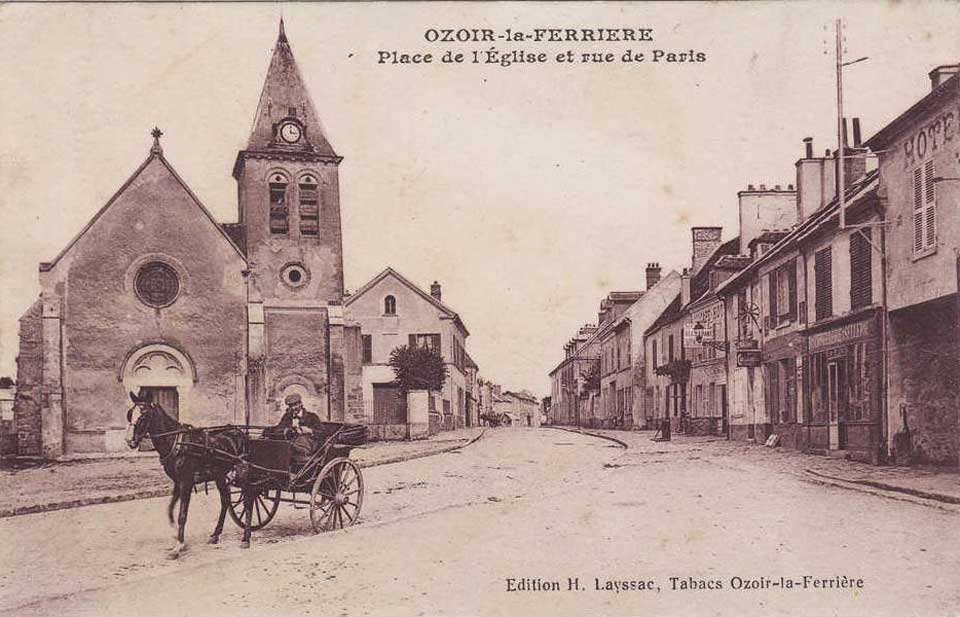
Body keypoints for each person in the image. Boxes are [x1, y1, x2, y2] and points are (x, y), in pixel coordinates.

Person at [274, 393, 324, 467]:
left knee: (288, 447)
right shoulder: (287, 417)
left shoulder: (312, 417)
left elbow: (322, 433)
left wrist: (310, 431)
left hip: (307, 446)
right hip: (290, 444)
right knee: (281, 447)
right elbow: (278, 430)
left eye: (295, 405)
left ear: (300, 404)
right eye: (290, 406)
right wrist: (288, 430)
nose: (293, 408)